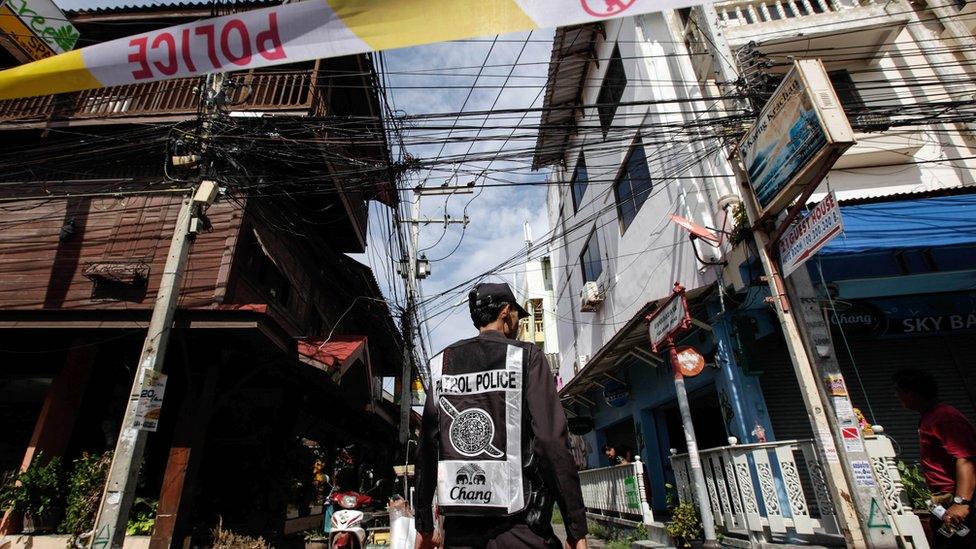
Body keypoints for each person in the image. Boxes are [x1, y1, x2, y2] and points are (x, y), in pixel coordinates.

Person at [414, 282, 588, 549]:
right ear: (506, 312)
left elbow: (427, 447)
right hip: (520, 527)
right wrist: (576, 529)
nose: (518, 321)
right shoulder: (526, 357)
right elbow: (551, 442)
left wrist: (424, 525)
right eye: (517, 314)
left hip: (460, 533)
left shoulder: (442, 364)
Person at [894, 369, 976, 548]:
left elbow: (965, 459)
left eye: (899, 392)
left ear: (912, 394)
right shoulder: (930, 417)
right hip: (944, 501)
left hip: (957, 501)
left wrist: (961, 503)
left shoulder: (944, 417)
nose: (897, 397)